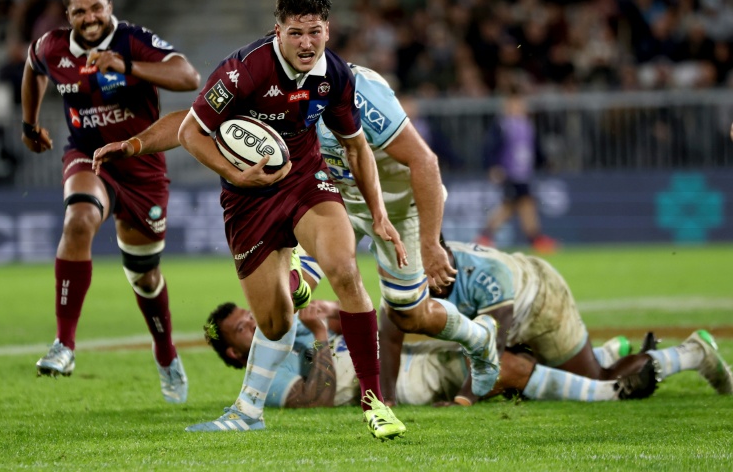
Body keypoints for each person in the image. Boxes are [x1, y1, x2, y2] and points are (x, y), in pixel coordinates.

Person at [91, 0, 407, 439]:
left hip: (304, 180)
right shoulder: (244, 70)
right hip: (246, 199)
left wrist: (377, 214)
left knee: (344, 270)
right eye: (295, 33)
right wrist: (231, 174)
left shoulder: (334, 74)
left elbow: (357, 148)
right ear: (277, 31)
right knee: (275, 322)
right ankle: (248, 412)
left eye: (314, 32)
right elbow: (191, 131)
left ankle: (375, 402)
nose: (306, 43)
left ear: (327, 31)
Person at [20, 0, 201, 403]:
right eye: (79, 11)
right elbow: (32, 67)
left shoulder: (133, 41)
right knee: (79, 219)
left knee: (145, 277)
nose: (89, 17)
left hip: (141, 167)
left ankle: (165, 353)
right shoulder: (53, 47)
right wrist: (29, 124)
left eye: (96, 7)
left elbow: (189, 76)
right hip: (87, 154)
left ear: (109, 6)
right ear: (68, 16)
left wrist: (128, 67)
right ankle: (64, 344)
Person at [296, 63, 499, 405]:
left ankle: (479, 337)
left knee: (407, 313)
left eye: (312, 33)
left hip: (399, 208)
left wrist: (431, 243)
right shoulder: (280, 90)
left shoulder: (364, 92)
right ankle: (248, 407)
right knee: (289, 287)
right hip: (337, 201)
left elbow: (426, 162)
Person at [417, 238, 733, 404]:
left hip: (542, 302)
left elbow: (493, 350)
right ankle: (609, 350)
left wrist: (464, 398)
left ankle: (693, 353)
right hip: (515, 310)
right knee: (530, 379)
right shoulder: (435, 262)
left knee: (598, 381)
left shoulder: (481, 274)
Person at [201, 299, 668, 407]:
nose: (252, 323)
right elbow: (314, 397)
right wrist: (321, 333)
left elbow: (358, 326)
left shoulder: (285, 334)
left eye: (248, 316)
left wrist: (334, 314)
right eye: (242, 328)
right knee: (503, 365)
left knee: (492, 336)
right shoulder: (260, 376)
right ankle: (612, 384)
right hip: (396, 382)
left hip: (397, 356)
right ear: (232, 352)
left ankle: (607, 355)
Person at [474, 91, 557, 254]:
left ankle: (533, 238)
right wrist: (493, 166)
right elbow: (490, 146)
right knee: (513, 204)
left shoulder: (527, 125)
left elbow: (534, 147)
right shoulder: (502, 125)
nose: (518, 108)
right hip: (509, 172)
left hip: (524, 173)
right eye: (514, 105)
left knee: (521, 203)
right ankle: (487, 236)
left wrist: (545, 161)